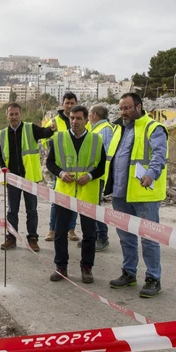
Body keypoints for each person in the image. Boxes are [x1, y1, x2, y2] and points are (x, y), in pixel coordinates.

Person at [105, 92, 167, 298]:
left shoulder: (153, 128)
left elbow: (159, 155)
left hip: (143, 194)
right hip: (120, 193)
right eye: (121, 108)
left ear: (139, 107)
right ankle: (129, 273)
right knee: (125, 237)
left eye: (127, 108)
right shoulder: (119, 129)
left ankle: (153, 279)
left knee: (149, 238)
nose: (123, 112)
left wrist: (151, 174)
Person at [45, 105, 106, 284]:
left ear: (86, 120)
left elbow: (102, 166)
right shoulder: (59, 139)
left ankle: (86, 268)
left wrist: (89, 176)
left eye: (79, 118)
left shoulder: (96, 140)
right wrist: (60, 173)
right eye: (72, 118)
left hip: (88, 193)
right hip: (65, 193)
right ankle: (61, 266)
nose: (75, 122)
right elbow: (50, 163)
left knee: (89, 234)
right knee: (60, 232)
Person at [0, 102, 55, 252]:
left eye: (16, 114)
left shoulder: (30, 128)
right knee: (12, 211)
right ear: (7, 116)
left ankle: (33, 238)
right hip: (13, 178)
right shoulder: (2, 134)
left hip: (29, 177)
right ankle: (11, 237)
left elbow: (45, 133)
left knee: (32, 210)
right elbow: (1, 155)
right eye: (11, 114)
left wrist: (51, 129)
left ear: (21, 115)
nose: (14, 117)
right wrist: (4, 169)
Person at [44, 92, 79, 242]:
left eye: (72, 103)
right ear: (62, 103)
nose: (70, 106)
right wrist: (55, 146)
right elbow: (45, 139)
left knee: (75, 199)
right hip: (58, 167)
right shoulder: (54, 121)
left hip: (77, 167)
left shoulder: (82, 120)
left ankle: (71, 229)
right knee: (56, 200)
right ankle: (53, 229)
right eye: (67, 103)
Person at [78, 105, 113, 252]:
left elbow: (102, 154)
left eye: (90, 114)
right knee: (89, 205)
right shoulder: (96, 129)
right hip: (91, 174)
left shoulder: (104, 129)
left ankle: (102, 237)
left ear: (95, 115)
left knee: (95, 206)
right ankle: (91, 236)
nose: (88, 117)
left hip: (98, 175)